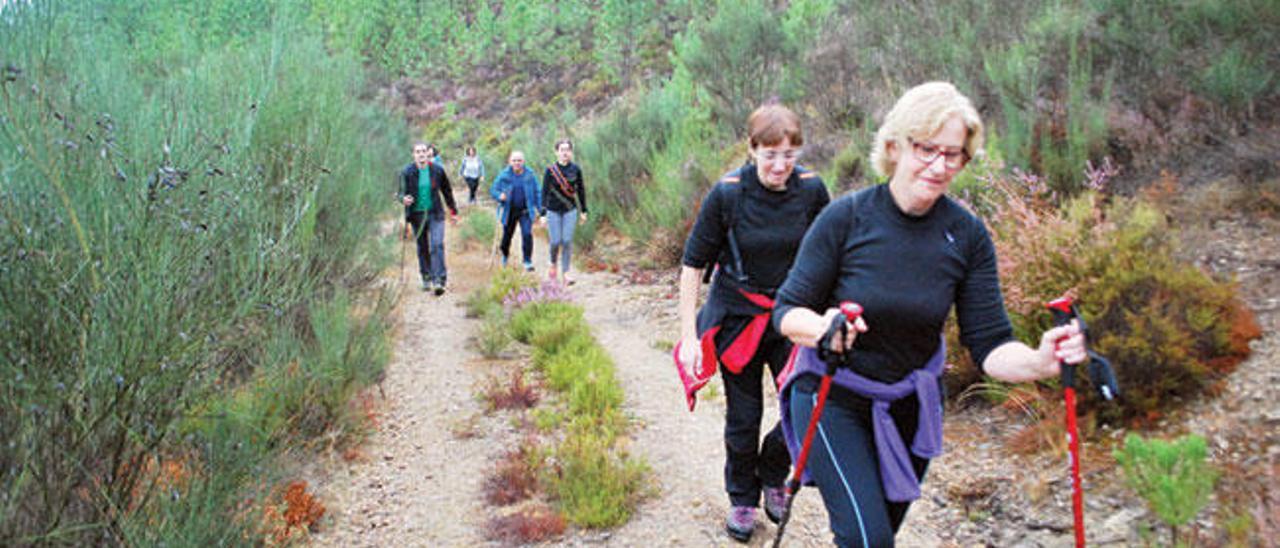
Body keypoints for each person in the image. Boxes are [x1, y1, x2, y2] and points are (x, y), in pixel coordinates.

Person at [772, 81, 1088, 547]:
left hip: (910, 404)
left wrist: (1041, 362)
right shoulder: (847, 218)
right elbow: (787, 310)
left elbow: (990, 344)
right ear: (896, 146)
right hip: (831, 395)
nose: (940, 166)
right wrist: (825, 327)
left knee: (880, 537)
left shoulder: (967, 236)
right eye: (927, 149)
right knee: (867, 540)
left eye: (954, 154)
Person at [676, 104, 831, 542]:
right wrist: (689, 336)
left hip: (792, 317)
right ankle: (743, 498)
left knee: (803, 405)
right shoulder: (728, 194)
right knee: (744, 416)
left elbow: (832, 254)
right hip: (738, 318)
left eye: (789, 154)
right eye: (770, 155)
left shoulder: (812, 190)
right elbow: (692, 266)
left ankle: (773, 470)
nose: (780, 166)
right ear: (752, 150)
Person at [401, 142, 459, 295]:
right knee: (422, 246)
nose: (421, 154)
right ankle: (426, 276)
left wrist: (453, 211)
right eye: (417, 151)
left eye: (423, 151)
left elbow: (447, 191)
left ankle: (439, 279)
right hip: (416, 215)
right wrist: (403, 199)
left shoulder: (437, 171)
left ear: (429, 153)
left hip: (435, 213)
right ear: (413, 154)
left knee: (437, 244)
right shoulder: (407, 172)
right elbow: (400, 192)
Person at [540, 139, 588, 284]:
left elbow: (581, 190)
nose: (565, 152)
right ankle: (553, 262)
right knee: (555, 241)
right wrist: (542, 214)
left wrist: (584, 210)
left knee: (567, 241)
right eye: (562, 149)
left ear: (571, 152)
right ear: (556, 152)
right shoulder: (550, 171)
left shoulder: (576, 169)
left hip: (570, 210)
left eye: (567, 149)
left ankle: (566, 273)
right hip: (553, 210)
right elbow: (544, 192)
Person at [490, 150, 541, 271]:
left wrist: (541, 210)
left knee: (527, 234)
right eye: (514, 160)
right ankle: (505, 255)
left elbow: (537, 192)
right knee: (507, 236)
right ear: (510, 161)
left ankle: (527, 261)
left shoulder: (530, 174)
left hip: (525, 211)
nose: (517, 163)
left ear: (523, 161)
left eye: (519, 160)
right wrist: (499, 195)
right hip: (509, 211)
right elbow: (493, 190)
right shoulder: (504, 175)